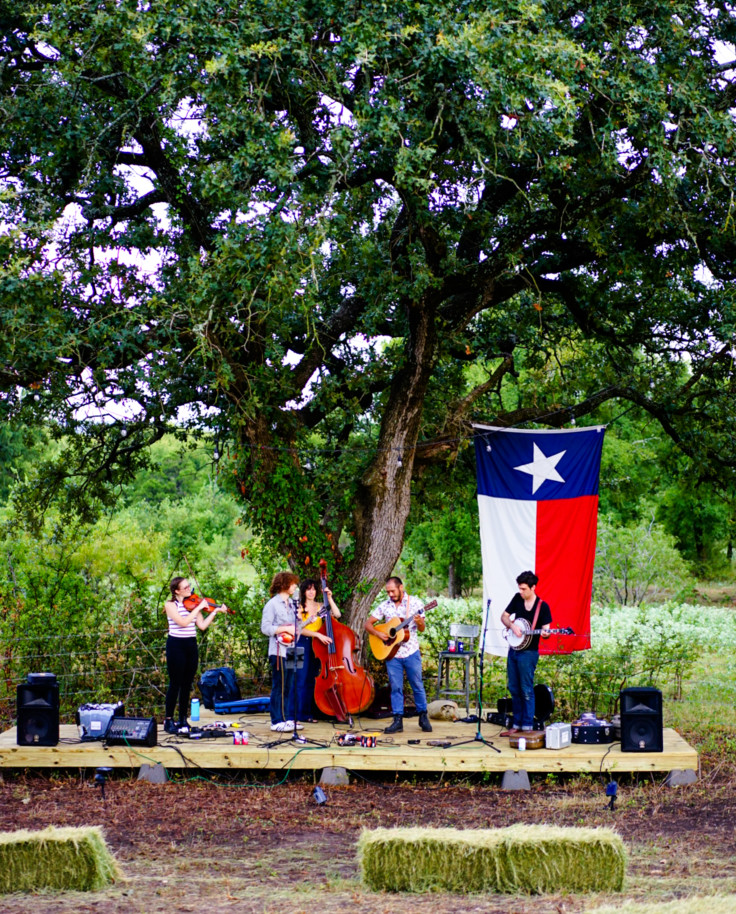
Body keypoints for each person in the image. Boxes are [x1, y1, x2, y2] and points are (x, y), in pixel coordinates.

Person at [260, 571, 332, 732]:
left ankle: (288, 718)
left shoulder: (292, 604)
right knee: (280, 685)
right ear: (284, 585)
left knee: (291, 683)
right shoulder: (272, 604)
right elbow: (265, 628)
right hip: (279, 651)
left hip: (294, 648)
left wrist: (307, 621)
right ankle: (276, 720)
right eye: (292, 584)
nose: (295, 586)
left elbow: (296, 628)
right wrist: (283, 628)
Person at [364, 576, 432, 734]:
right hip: (392, 654)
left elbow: (421, 628)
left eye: (392, 591)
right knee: (395, 687)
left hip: (411, 652)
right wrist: (378, 634)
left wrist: (420, 622)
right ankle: (397, 720)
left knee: (417, 685)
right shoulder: (385, 605)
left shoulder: (414, 603)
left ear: (401, 587)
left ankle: (423, 716)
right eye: (388, 592)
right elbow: (368, 624)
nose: (390, 594)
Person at [163, 577, 228, 735]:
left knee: (186, 684)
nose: (189, 589)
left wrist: (216, 611)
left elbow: (202, 626)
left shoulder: (192, 604)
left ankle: (183, 719)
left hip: (190, 645)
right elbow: (183, 622)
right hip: (176, 645)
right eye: (185, 588)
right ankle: (169, 719)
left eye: (189, 586)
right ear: (176, 591)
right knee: (175, 683)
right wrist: (198, 608)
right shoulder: (170, 605)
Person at [499, 570, 551, 736]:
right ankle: (517, 723)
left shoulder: (542, 607)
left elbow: (546, 630)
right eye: (519, 589)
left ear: (533, 587)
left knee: (526, 689)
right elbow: (504, 617)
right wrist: (513, 626)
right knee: (513, 687)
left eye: (524, 589)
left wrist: (546, 634)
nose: (520, 592)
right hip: (514, 650)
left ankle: (527, 725)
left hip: (528, 653)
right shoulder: (516, 599)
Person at [294, 577, 341, 722]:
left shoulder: (321, 606)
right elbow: (298, 629)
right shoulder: (299, 606)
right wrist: (317, 634)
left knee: (310, 679)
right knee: (298, 678)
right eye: (308, 589)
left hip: (316, 644)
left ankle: (307, 713)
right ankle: (295, 714)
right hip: (300, 642)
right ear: (303, 591)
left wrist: (330, 598)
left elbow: (338, 614)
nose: (311, 592)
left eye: (314, 589)